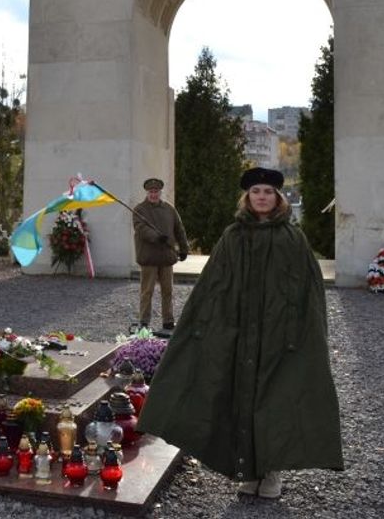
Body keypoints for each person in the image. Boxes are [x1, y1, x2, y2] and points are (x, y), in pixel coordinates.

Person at [137, 167, 343, 500]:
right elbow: (212, 286)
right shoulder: (233, 236)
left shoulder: (293, 239)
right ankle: (248, 470)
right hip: (237, 331)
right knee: (239, 397)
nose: (262, 197)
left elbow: (310, 292)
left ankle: (270, 472)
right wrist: (203, 327)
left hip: (279, 335)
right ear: (247, 197)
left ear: (278, 199)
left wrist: (306, 333)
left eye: (268, 192)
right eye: (256, 191)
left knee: (273, 401)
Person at [132, 177, 189, 332]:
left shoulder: (169, 209)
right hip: (149, 257)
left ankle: (168, 321)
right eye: (151, 191)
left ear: (160, 192)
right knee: (147, 291)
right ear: (147, 192)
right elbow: (141, 229)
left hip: (166, 256)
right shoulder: (139, 210)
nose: (153, 194)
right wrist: (156, 237)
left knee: (168, 291)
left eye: (156, 191)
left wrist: (184, 248)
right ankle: (144, 321)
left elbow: (179, 229)